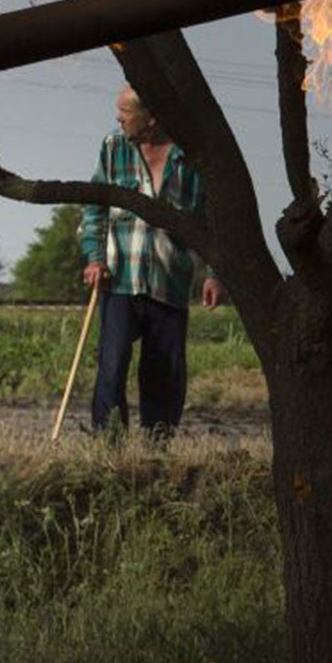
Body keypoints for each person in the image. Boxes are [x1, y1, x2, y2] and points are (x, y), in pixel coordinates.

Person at [79, 86, 224, 436]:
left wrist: (214, 273)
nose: (119, 118)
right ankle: (108, 442)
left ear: (152, 119)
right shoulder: (113, 148)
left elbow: (214, 220)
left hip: (169, 278)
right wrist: (94, 258)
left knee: (165, 370)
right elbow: (94, 206)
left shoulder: (190, 158)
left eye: (126, 112)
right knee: (111, 365)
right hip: (119, 278)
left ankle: (157, 445)